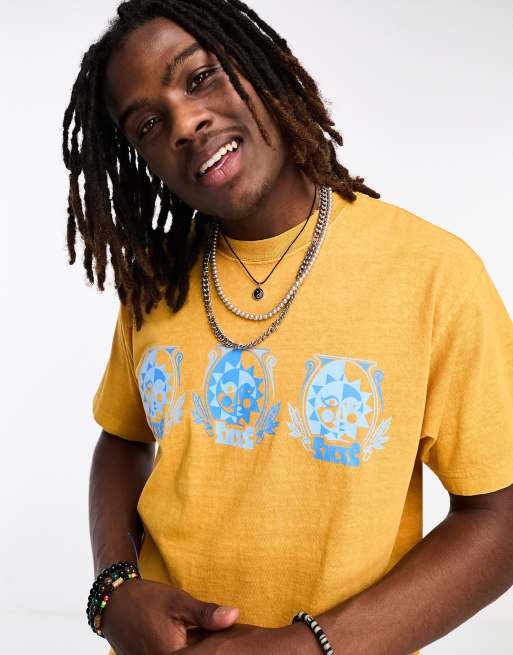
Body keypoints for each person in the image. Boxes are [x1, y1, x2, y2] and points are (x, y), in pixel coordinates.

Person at [62, 1, 513, 653]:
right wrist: (114, 589)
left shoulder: (432, 274)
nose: (185, 123)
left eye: (200, 77)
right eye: (149, 123)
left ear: (264, 65)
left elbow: (500, 519)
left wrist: (305, 647)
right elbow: (123, 438)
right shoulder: (158, 282)